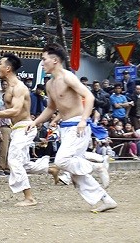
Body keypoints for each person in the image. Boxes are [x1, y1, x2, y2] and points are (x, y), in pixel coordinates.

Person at [26, 43, 116, 213]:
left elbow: (88, 96)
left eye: (44, 59)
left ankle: (98, 166)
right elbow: (51, 108)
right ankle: (105, 199)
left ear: (55, 60)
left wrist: (83, 120)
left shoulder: (68, 77)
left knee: (61, 161)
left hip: (78, 126)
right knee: (74, 172)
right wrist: (35, 122)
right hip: (66, 127)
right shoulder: (50, 84)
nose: (42, 63)